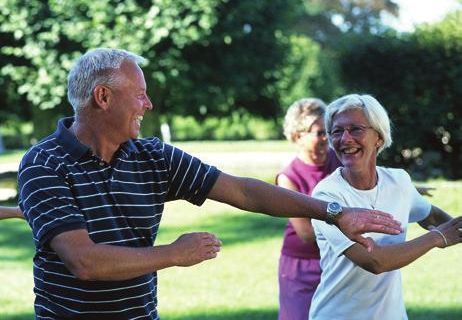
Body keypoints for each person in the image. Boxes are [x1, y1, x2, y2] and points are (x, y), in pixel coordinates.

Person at [18, 49, 402, 319]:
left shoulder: (151, 156)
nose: (148, 104)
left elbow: (244, 191)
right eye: (140, 94)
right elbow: (84, 262)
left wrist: (333, 212)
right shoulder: (44, 164)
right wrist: (175, 253)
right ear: (103, 97)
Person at [309, 93, 462, 320]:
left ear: (378, 137)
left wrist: (455, 228)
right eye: (337, 131)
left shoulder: (398, 181)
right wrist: (437, 238)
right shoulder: (328, 195)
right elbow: (374, 261)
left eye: (356, 129)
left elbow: (430, 215)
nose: (345, 139)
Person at [276, 98, 341, 320]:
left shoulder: (340, 160)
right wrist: (350, 224)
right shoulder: (288, 177)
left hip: (338, 258)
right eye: (320, 133)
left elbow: (371, 180)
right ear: (298, 136)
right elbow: (305, 232)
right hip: (301, 267)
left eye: (329, 132)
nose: (327, 139)